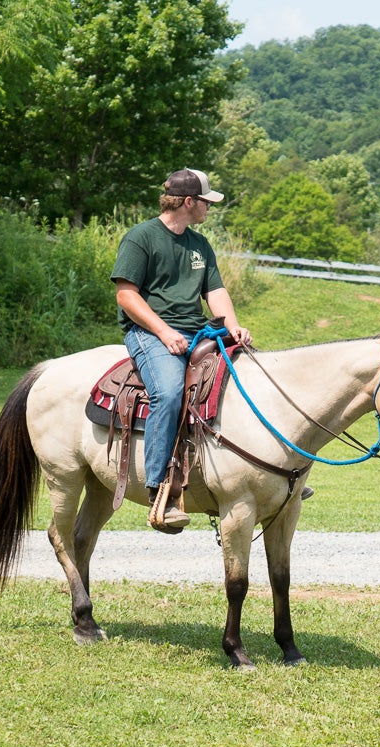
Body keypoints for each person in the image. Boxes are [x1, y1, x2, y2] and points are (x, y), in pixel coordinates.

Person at [111, 168, 252, 532]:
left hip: (196, 329)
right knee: (170, 393)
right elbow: (126, 295)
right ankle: (161, 489)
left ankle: (263, 472)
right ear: (189, 202)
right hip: (148, 331)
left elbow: (216, 293)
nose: (209, 208)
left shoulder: (199, 245)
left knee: (249, 374)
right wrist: (163, 331)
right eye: (206, 201)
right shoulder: (141, 238)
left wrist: (233, 326)